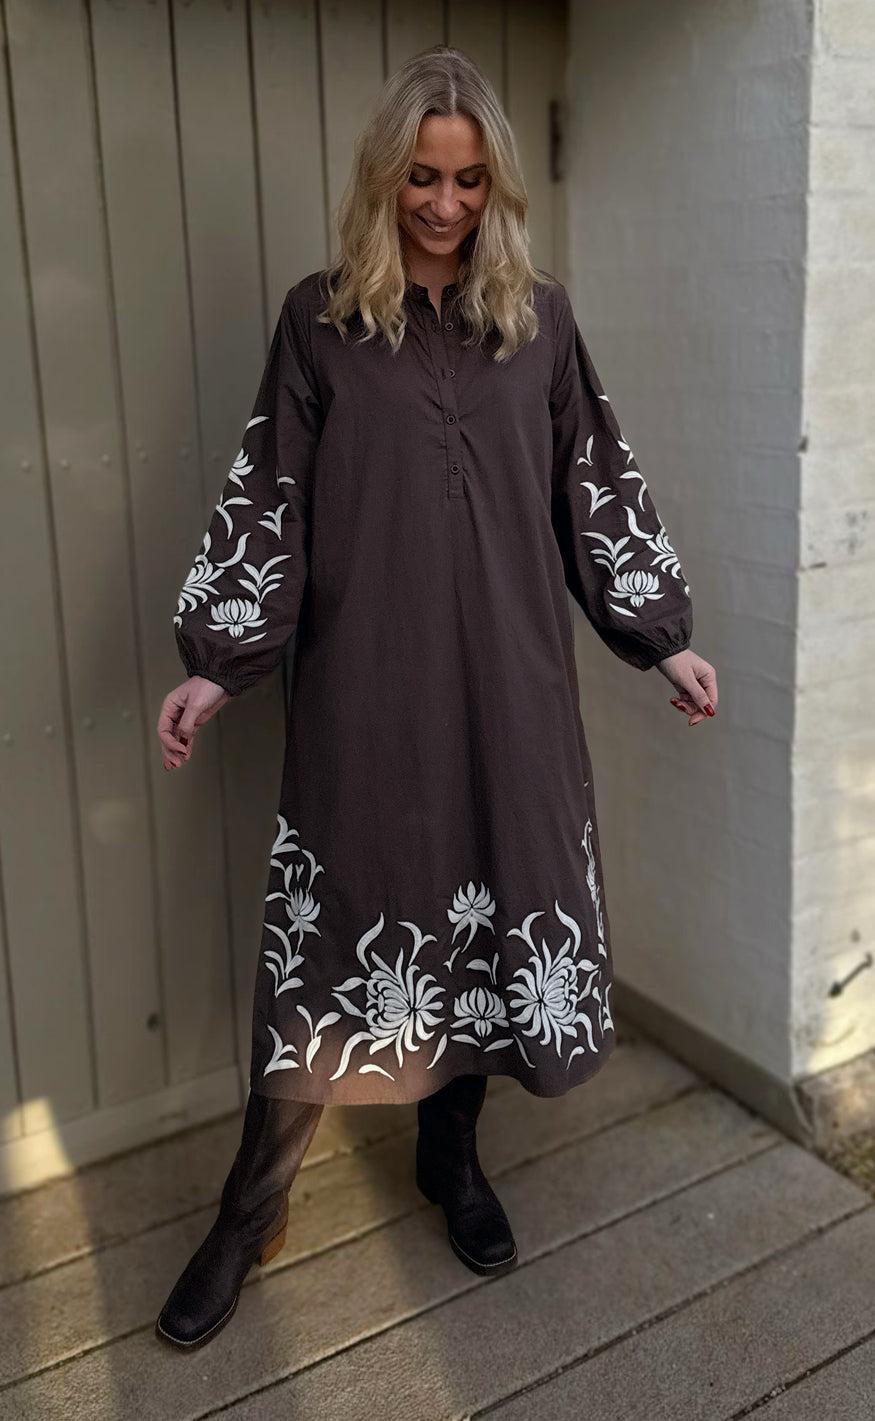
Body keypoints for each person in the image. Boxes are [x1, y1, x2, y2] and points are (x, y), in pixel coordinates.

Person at [154, 44, 717, 1351]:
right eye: (422, 176)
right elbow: (272, 498)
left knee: (487, 919)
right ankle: (249, 1212)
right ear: (385, 177)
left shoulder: (540, 321)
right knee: (329, 947)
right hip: (367, 696)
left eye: (468, 181)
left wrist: (661, 642)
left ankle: (450, 1159)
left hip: (511, 695)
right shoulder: (321, 323)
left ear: (496, 186)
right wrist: (215, 662)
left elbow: (593, 486)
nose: (445, 204)